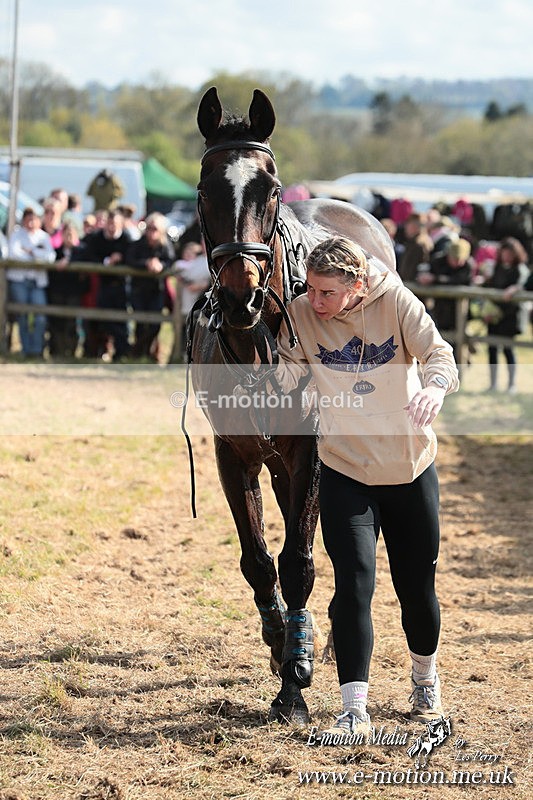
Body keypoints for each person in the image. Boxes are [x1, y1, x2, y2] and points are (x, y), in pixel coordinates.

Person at [274, 236, 459, 739]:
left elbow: (440, 355)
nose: (315, 301)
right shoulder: (302, 313)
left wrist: (436, 390)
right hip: (345, 470)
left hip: (408, 468)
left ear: (357, 287)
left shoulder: (397, 302)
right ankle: (353, 707)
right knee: (353, 586)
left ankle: (425, 677)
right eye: (310, 289)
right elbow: (287, 374)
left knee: (416, 591)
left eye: (327, 293)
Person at [480, 237, 530, 393]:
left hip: (510, 316)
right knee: (492, 349)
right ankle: (493, 384)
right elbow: (492, 286)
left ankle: (511, 385)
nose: (506, 256)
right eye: (504, 252)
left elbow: (523, 285)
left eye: (509, 253)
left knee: (509, 350)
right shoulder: (497, 268)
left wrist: (515, 288)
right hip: (494, 315)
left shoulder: (520, 269)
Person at [6, 207, 55, 358]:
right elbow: (14, 254)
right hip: (19, 281)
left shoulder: (44, 237)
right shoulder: (16, 235)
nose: (31, 222)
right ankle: (26, 350)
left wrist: (32, 252)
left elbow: (50, 257)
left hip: (37, 282)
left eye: (34, 219)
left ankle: (37, 349)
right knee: (23, 315)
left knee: (40, 316)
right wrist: (35, 256)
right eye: (28, 219)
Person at [82, 209, 130, 361]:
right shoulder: (96, 238)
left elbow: (132, 257)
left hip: (121, 285)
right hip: (101, 285)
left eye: (115, 224)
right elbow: (89, 256)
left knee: (121, 321)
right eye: (109, 223)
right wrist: (106, 262)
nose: (112, 227)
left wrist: (120, 258)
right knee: (99, 320)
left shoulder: (126, 239)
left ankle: (121, 353)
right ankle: (95, 351)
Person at [126, 212, 174, 360]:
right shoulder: (138, 244)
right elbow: (130, 260)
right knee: (140, 323)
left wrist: (160, 266)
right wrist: (146, 264)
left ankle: (144, 350)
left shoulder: (165, 246)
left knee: (155, 324)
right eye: (149, 228)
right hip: (138, 290)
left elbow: (170, 261)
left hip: (156, 290)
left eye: (155, 229)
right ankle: (138, 353)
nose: (151, 232)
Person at [47, 222, 89, 359]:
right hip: (57, 292)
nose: (69, 236)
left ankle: (71, 352)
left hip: (74, 293)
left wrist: (69, 261)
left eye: (72, 233)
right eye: (66, 233)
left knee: (72, 324)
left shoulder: (82, 251)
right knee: (57, 323)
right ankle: (57, 351)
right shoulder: (55, 252)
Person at [423, 238, 474, 333]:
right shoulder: (438, 262)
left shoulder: (468, 266)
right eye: (454, 259)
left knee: (460, 336)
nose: (457, 262)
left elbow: (459, 280)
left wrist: (436, 279)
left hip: (459, 310)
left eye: (460, 259)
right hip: (440, 308)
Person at [397, 213, 433, 283]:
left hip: (414, 288)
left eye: (408, 224)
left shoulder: (421, 244)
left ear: (414, 226)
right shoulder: (411, 243)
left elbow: (423, 268)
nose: (406, 228)